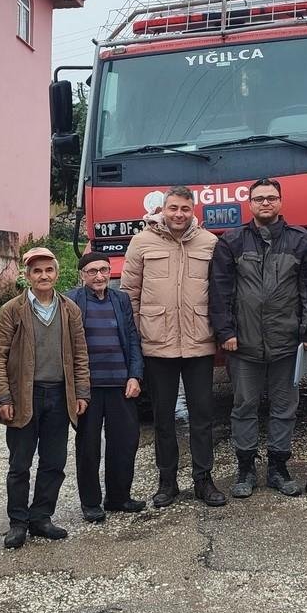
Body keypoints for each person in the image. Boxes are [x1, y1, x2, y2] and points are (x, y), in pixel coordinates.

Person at [210, 178, 307, 498]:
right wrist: (226, 332)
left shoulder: (301, 242)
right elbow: (220, 292)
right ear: (250, 204)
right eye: (259, 199)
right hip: (243, 344)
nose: (265, 203)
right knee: (244, 406)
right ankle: (245, 469)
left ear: (281, 202)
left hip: (287, 344)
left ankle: (278, 467)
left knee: (285, 407)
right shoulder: (230, 242)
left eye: (271, 198)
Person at [120, 185, 226, 507]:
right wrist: (137, 337)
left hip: (198, 343)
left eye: (185, 209)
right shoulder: (141, 243)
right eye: (173, 208)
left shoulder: (209, 243)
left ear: (193, 211)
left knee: (202, 416)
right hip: (157, 344)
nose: (179, 214)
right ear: (163, 210)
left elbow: (220, 292)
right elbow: (129, 294)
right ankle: (167, 483)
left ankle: (203, 480)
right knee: (163, 418)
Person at [0, 247, 91, 549]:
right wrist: (2, 397)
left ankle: (41, 517)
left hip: (60, 396)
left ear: (57, 274)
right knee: (19, 463)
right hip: (24, 396)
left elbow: (81, 354)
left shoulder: (70, 309)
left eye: (48, 270)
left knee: (53, 461)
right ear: (27, 276)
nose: (43, 275)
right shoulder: (13, 310)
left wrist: (81, 391)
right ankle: (18, 522)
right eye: (37, 271)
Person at [66, 251, 146, 521]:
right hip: (88, 388)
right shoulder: (71, 300)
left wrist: (135, 375)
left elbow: (133, 339)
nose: (99, 276)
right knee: (88, 447)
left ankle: (118, 497)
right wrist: (76, 388)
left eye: (103, 270)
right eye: (92, 271)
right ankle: (90, 503)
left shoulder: (120, 299)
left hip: (120, 384)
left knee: (124, 442)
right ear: (82, 275)